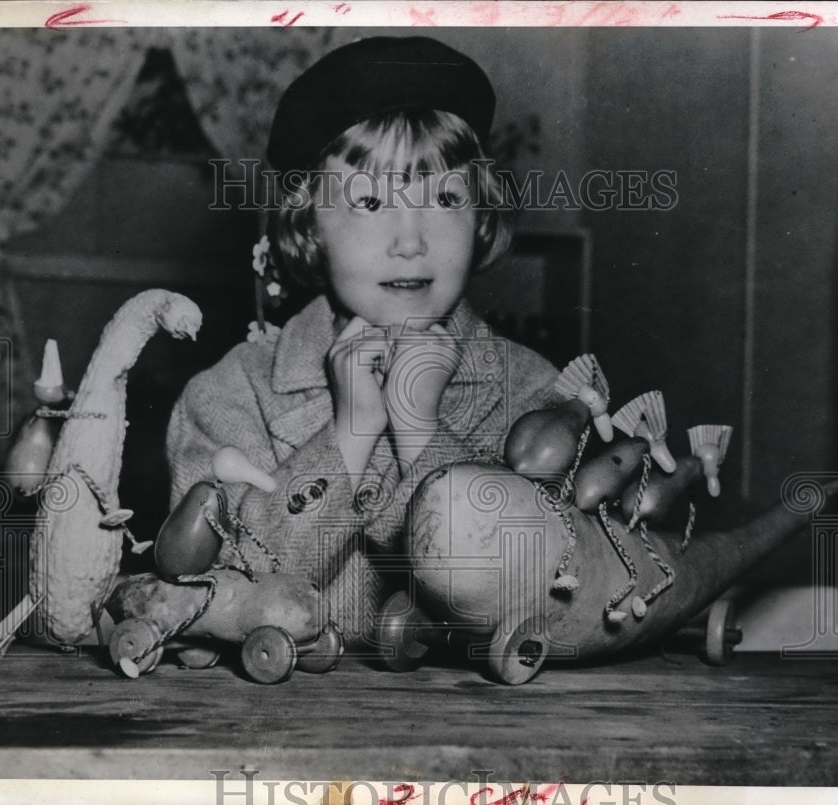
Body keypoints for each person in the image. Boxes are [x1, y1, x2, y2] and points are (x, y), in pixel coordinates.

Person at [166, 36, 559, 646]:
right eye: (370, 201)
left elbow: (552, 592)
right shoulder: (228, 394)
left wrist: (422, 431)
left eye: (446, 198)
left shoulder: (537, 393)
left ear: (480, 216)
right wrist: (348, 435)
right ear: (309, 227)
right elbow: (219, 590)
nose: (410, 240)